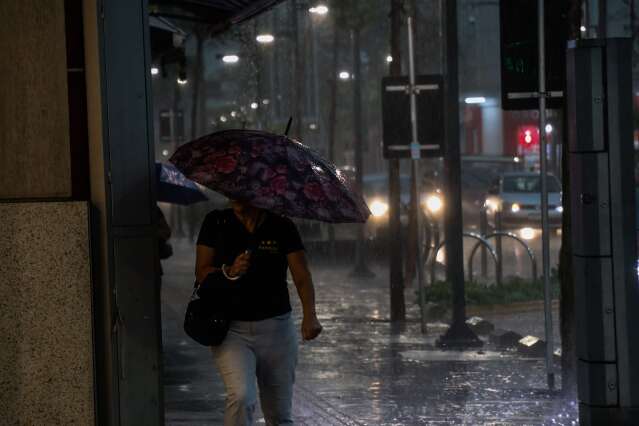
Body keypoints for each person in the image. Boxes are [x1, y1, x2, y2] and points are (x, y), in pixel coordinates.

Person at [195, 199, 322, 426]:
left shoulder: (281, 226)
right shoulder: (216, 222)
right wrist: (229, 270)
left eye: (241, 190)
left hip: (277, 330)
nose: (235, 195)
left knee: (280, 415)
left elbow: (301, 275)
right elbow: (202, 273)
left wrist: (310, 315)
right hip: (231, 330)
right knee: (242, 397)